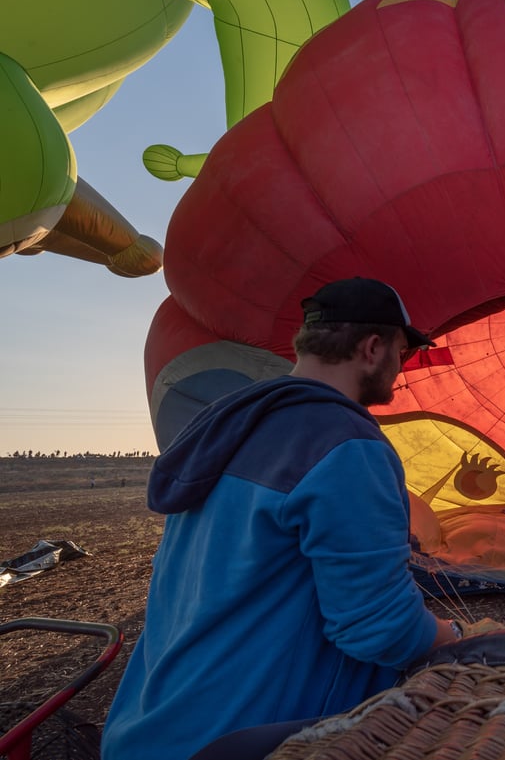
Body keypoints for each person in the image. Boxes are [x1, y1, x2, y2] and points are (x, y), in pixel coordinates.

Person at [102, 278, 466, 760]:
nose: (402, 369)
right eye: (402, 352)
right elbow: (381, 629)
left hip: (151, 725)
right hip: (247, 739)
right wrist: (454, 635)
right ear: (373, 348)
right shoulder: (344, 444)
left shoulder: (231, 423)